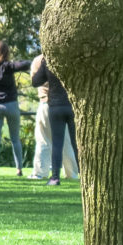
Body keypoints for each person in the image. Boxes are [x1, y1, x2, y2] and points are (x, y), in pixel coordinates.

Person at [0, 41, 30, 177]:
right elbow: (25, 64)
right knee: (15, 138)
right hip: (11, 104)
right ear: (6, 53)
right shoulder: (8, 67)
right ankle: (19, 169)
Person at [32, 56, 78, 186]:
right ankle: (84, 174)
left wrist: (43, 65)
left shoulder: (48, 61)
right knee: (75, 143)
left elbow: (36, 81)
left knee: (57, 144)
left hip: (55, 105)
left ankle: (55, 177)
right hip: (72, 105)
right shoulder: (73, 59)